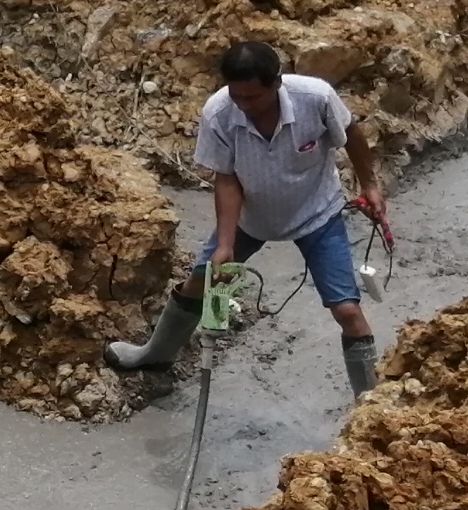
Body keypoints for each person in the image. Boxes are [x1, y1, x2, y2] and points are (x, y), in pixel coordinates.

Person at [107, 39, 391, 396]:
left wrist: (370, 184)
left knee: (347, 310)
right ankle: (155, 354)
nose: (244, 105)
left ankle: (370, 401)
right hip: (249, 218)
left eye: (253, 97)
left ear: (277, 83)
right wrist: (225, 245)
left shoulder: (315, 98)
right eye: (236, 95)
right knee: (199, 282)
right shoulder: (219, 113)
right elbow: (226, 179)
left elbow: (350, 133)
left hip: (316, 212)